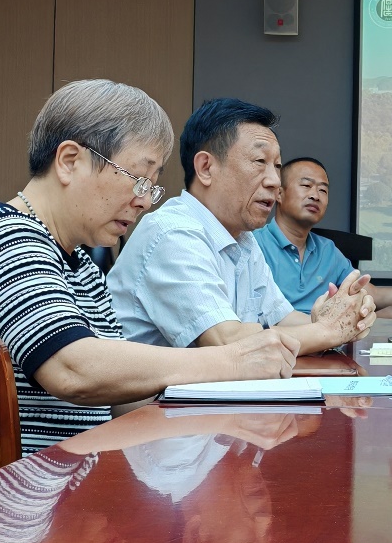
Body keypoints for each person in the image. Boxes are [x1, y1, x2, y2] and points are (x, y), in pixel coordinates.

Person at [0, 80, 298, 455]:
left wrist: (228, 419)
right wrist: (232, 361)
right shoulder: (3, 237)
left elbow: (117, 403)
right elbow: (74, 369)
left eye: (152, 187)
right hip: (14, 486)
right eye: (139, 180)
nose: (145, 202)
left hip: (72, 477)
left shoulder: (82, 265)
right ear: (70, 161)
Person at [109, 99, 376, 354]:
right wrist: (327, 331)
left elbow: (283, 320)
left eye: (277, 166)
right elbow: (226, 342)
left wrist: (340, 317)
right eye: (260, 162)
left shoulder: (244, 240)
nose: (275, 181)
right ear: (206, 168)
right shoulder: (173, 233)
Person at [253, 156, 392, 314]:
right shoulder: (254, 245)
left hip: (326, 344)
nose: (315, 195)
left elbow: (372, 295)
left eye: (323, 190)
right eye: (306, 185)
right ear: (279, 194)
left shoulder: (327, 250)